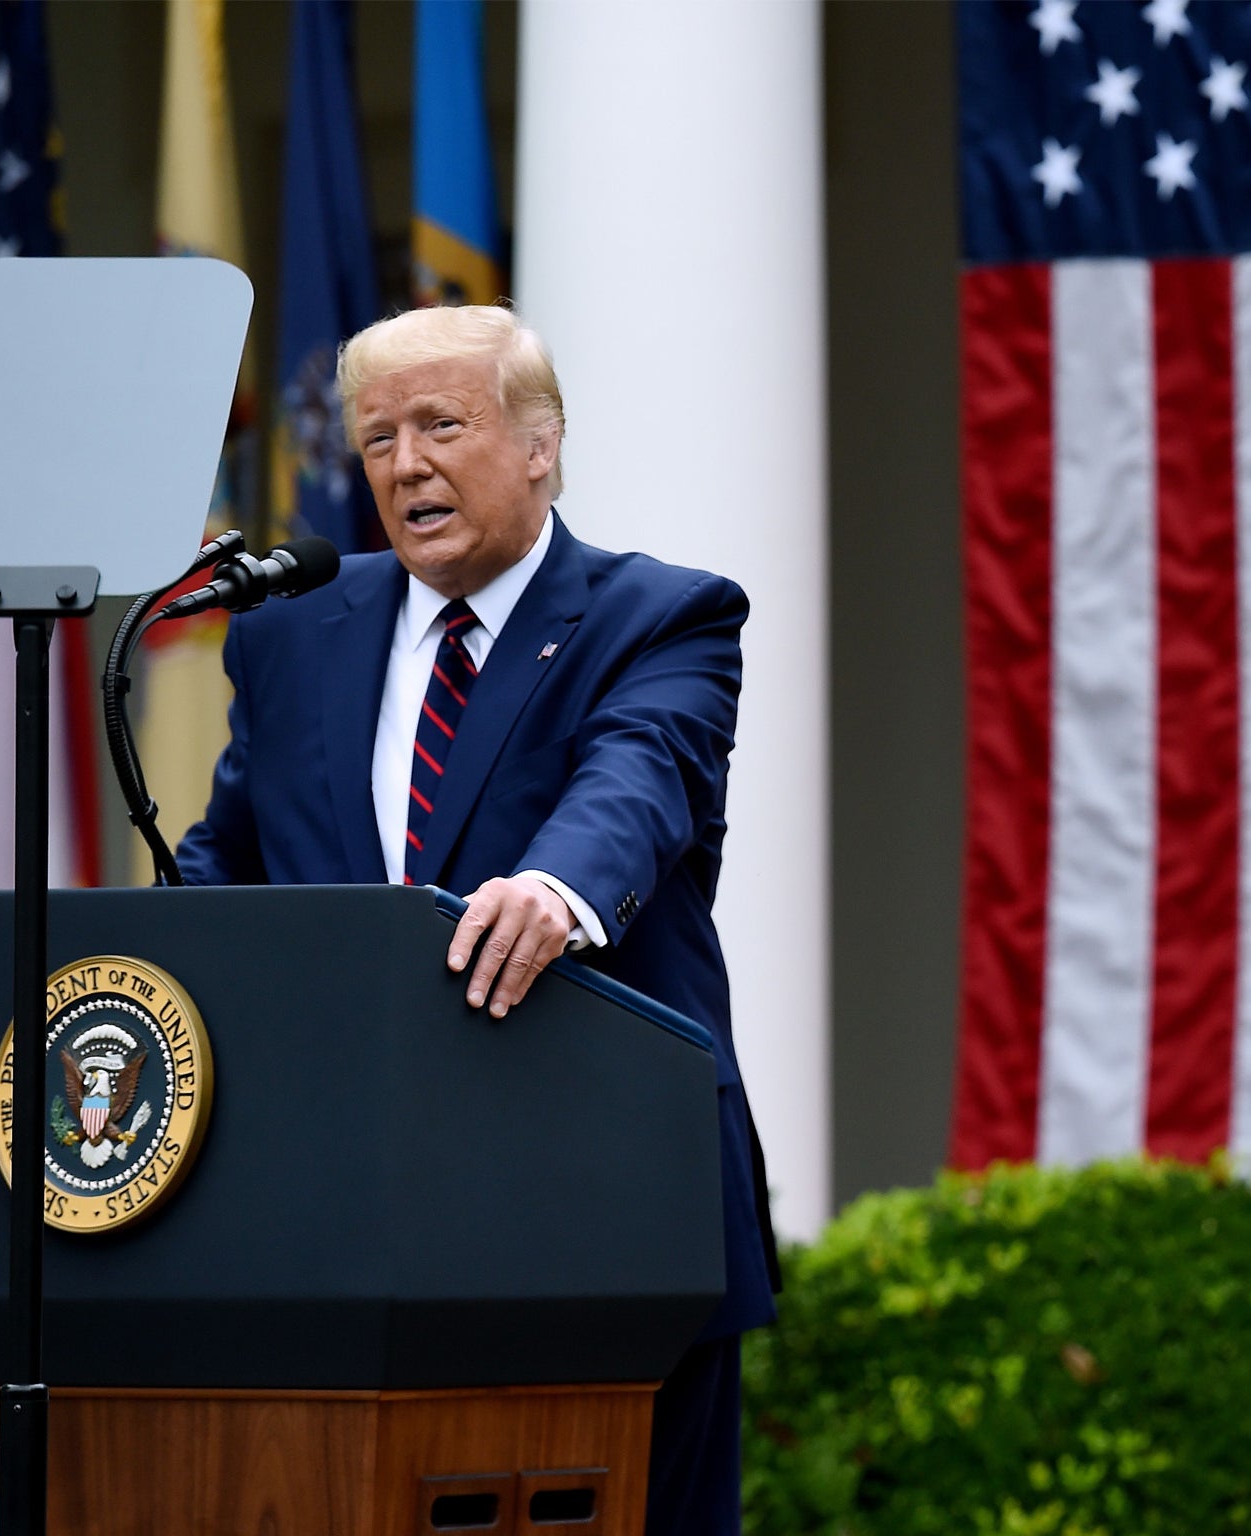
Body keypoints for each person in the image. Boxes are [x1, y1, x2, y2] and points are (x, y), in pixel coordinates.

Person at [176, 303, 778, 1536]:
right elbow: (227, 859)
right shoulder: (292, 633)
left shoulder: (658, 618)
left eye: (442, 425)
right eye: (378, 437)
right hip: (341, 1227)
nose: (405, 466)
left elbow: (637, 779)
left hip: (607, 1210)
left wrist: (551, 891)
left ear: (540, 442)